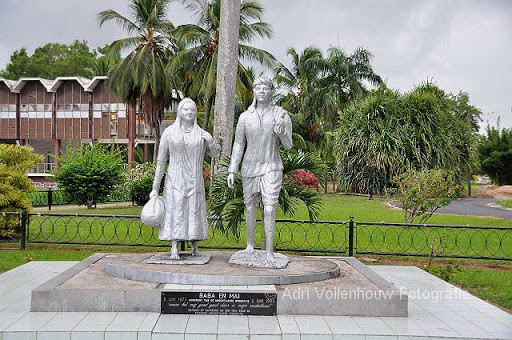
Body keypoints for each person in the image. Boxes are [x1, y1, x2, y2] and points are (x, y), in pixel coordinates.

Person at [227, 77, 293, 264]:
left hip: (272, 166)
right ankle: (249, 245)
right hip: (249, 167)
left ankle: (270, 252)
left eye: (265, 88)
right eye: (258, 88)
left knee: (270, 208)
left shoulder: (280, 114)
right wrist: (232, 169)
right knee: (249, 207)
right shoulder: (245, 117)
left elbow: (288, 146)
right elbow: (239, 144)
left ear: (271, 91)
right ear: (254, 91)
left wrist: (282, 132)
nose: (262, 91)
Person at [150, 98, 218, 260]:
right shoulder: (169, 133)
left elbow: (214, 154)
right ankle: (174, 246)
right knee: (176, 211)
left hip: (195, 180)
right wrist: (155, 187)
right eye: (185, 109)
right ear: (180, 112)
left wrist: (210, 141)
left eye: (192, 110)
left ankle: (195, 245)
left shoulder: (201, 134)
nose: (189, 112)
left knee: (194, 211)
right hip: (175, 179)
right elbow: (161, 161)